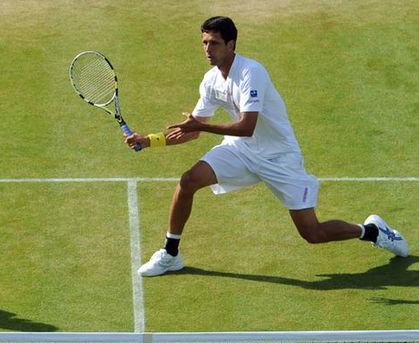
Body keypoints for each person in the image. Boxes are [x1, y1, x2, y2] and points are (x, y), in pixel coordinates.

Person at [126, 16, 409, 277]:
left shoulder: (252, 72)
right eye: (204, 43)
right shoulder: (210, 81)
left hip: (279, 158)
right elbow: (192, 129)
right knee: (189, 180)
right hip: (241, 150)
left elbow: (245, 126)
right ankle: (171, 253)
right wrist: (149, 140)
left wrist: (200, 126)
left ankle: (372, 231)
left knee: (313, 233)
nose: (207, 49)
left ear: (231, 44)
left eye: (214, 43)